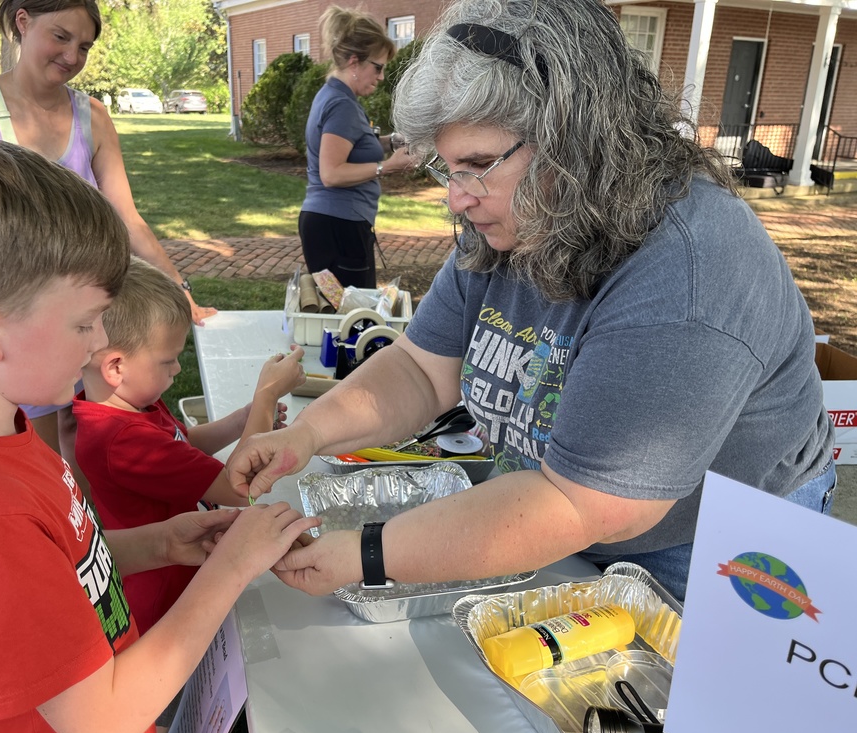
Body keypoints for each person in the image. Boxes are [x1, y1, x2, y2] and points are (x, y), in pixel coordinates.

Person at [227, 0, 836, 604]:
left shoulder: (687, 271)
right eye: (448, 167)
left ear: (573, 142)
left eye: (475, 166)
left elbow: (587, 504)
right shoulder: (518, 218)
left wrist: (367, 554)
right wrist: (307, 435)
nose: (455, 199)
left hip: (715, 550)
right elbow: (420, 368)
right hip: (566, 513)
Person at [0, 134, 315, 733]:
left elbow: (57, 567)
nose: (101, 340)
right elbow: (101, 722)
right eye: (84, 322)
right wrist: (229, 569)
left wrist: (161, 542)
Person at [0, 0, 217, 490]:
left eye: (83, 45)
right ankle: (59, 541)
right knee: (31, 451)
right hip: (14, 320)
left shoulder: (93, 116)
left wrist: (178, 287)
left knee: (84, 433)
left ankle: (97, 543)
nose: (72, 55)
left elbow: (125, 218)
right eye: (60, 36)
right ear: (23, 22)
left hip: (88, 315)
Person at [74, 256, 305, 733]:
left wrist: (246, 416)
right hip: (159, 599)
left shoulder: (129, 406)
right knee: (167, 706)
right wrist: (265, 397)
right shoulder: (119, 439)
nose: (179, 369)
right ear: (116, 365)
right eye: (169, 360)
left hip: (173, 566)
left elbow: (185, 444)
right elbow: (239, 486)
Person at [298, 6, 419, 289]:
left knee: (337, 313)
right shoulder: (342, 106)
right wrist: (388, 167)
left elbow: (350, 147)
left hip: (332, 225)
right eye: (377, 67)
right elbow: (332, 173)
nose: (380, 77)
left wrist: (391, 142)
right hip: (338, 226)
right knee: (353, 320)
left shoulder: (335, 96)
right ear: (354, 62)